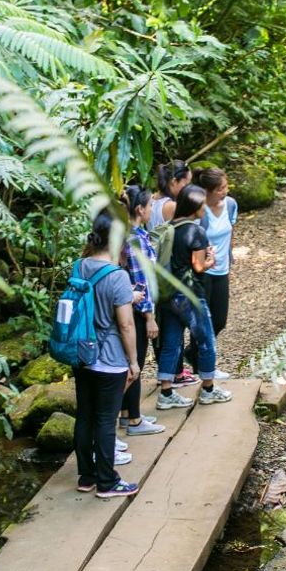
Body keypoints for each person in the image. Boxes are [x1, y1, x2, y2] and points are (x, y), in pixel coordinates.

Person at [72, 208, 141, 498]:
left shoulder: (79, 266)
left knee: (85, 416)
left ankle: (86, 477)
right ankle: (107, 482)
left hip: (81, 354)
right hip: (109, 359)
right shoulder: (117, 276)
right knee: (105, 420)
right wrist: (134, 362)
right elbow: (125, 325)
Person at [155, 185, 234, 409]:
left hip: (168, 295)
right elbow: (198, 266)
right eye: (202, 205)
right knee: (206, 340)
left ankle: (166, 393)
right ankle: (208, 389)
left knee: (171, 343)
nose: (204, 209)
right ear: (193, 207)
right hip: (190, 295)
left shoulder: (170, 227)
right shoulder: (196, 231)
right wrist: (211, 260)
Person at [118, 185, 166, 436]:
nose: (152, 210)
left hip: (128, 308)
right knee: (134, 363)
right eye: (150, 206)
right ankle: (135, 420)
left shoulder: (130, 234)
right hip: (136, 311)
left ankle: (127, 414)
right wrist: (150, 317)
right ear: (139, 209)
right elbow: (141, 280)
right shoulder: (135, 239)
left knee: (130, 361)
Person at [196, 167, 236, 379]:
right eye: (220, 189)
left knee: (219, 320)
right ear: (207, 191)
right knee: (203, 320)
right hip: (204, 271)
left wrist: (230, 255)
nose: (225, 191)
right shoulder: (200, 210)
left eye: (225, 187)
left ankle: (193, 355)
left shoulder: (231, 204)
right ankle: (204, 365)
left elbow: (231, 230)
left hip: (222, 269)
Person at [148, 160, 191, 231]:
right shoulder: (172, 206)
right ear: (174, 181)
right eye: (186, 184)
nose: (188, 188)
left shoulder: (150, 198)